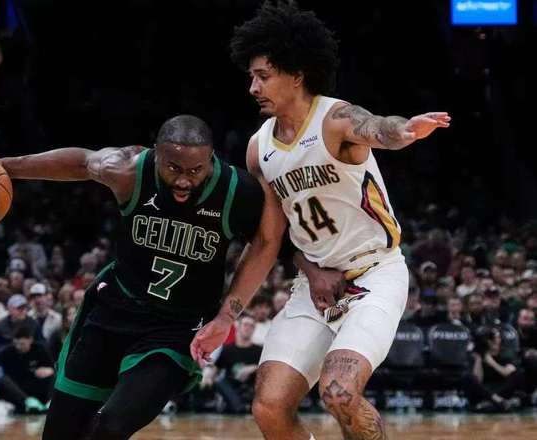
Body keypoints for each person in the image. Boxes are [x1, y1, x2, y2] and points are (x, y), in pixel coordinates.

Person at [192, 2, 450, 439]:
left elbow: (377, 127)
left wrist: (403, 129)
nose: (254, 86)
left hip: (375, 274)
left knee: (339, 392)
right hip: (315, 287)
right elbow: (270, 240)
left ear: (296, 75)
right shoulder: (259, 149)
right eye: (252, 76)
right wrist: (227, 317)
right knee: (269, 407)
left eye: (263, 75)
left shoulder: (334, 119)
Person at [0, 114, 284, 439]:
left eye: (195, 170)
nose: (183, 180)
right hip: (116, 309)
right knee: (60, 433)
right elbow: (82, 162)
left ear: (211, 159)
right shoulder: (129, 170)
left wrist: (227, 315)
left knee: (111, 426)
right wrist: (4, 166)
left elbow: (267, 242)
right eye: (173, 168)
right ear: (156, 155)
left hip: (178, 328)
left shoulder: (237, 191)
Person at [0, 325, 55, 413]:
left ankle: (50, 402)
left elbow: (55, 367)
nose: (18, 347)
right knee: (2, 379)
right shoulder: (7, 351)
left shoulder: (40, 349)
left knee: (52, 375)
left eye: (22, 344)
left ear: (30, 340)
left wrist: (51, 370)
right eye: (16, 344)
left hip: (35, 386)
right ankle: (28, 402)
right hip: (16, 389)